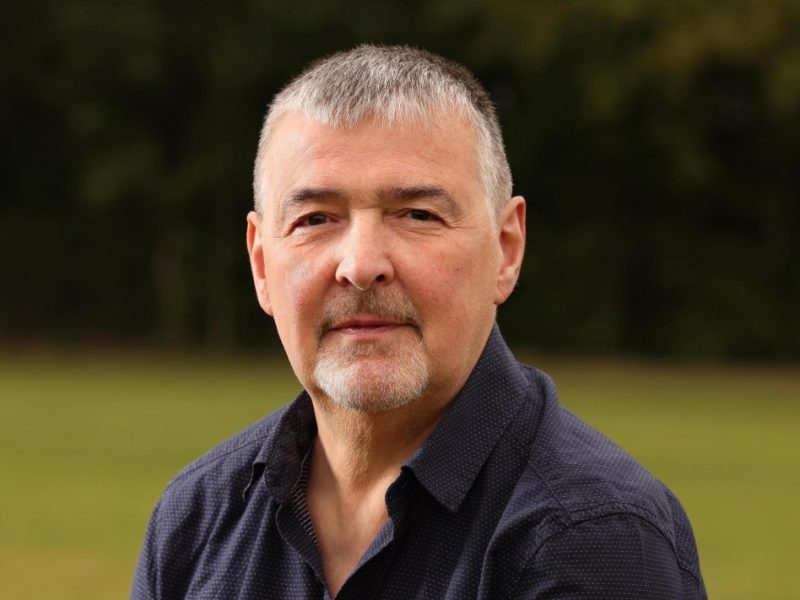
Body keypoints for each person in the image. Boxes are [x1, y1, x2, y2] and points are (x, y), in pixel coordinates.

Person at [131, 45, 706, 599]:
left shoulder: (592, 539)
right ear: (261, 263)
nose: (360, 265)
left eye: (416, 214)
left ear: (506, 250)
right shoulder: (196, 520)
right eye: (315, 218)